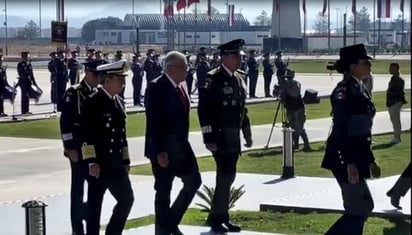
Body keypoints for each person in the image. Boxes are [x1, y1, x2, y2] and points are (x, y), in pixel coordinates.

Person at [321, 44, 381, 235]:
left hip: (357, 156)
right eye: (365, 62)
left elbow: (363, 132)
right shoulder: (345, 91)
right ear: (353, 66)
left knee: (359, 207)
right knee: (360, 208)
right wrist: (349, 163)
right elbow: (341, 130)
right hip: (345, 158)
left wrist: (370, 159)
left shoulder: (359, 88)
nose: (369, 66)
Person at [197, 39, 253, 233]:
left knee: (229, 177)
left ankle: (221, 217)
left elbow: (242, 110)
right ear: (225, 57)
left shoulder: (238, 78)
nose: (239, 59)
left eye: (240, 56)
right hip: (219, 138)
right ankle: (216, 219)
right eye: (236, 56)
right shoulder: (213, 79)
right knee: (224, 176)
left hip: (233, 137)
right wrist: (208, 138)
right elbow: (203, 111)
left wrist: (247, 134)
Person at [145, 51, 202, 235]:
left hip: (181, 146)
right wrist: (160, 151)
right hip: (163, 148)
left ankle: (169, 222)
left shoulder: (182, 86)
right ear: (171, 68)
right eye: (184, 67)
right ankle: (162, 230)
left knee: (194, 181)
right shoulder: (156, 87)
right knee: (163, 189)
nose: (187, 71)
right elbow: (154, 122)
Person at [81, 60, 134, 235]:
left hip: (116, 163)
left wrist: (125, 159)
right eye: (120, 79)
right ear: (108, 79)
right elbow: (86, 135)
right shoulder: (93, 102)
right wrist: (91, 161)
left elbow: (121, 135)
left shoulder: (118, 101)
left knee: (127, 199)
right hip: (100, 164)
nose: (123, 83)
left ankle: (113, 232)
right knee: (95, 206)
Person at [59, 60, 101, 235]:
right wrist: (69, 147)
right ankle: (77, 226)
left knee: (95, 187)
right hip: (77, 147)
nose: (100, 79)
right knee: (78, 189)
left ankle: (89, 217)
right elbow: (65, 123)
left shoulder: (98, 93)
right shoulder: (74, 92)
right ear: (89, 73)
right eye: (98, 75)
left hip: (93, 147)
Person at [281, 69, 311, 151]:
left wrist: (286, 88)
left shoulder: (296, 84)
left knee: (299, 128)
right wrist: (279, 91)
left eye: (290, 77)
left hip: (299, 109)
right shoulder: (284, 85)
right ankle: (295, 144)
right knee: (292, 127)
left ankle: (306, 145)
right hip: (290, 108)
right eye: (287, 78)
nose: (288, 79)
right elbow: (280, 96)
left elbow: (294, 93)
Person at [386, 63, 407, 144]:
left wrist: (392, 96)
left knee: (396, 120)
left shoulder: (399, 79)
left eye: (391, 68)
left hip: (395, 102)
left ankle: (397, 137)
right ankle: (396, 136)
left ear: (396, 69)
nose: (390, 69)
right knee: (393, 120)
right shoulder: (393, 78)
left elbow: (399, 92)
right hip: (391, 102)